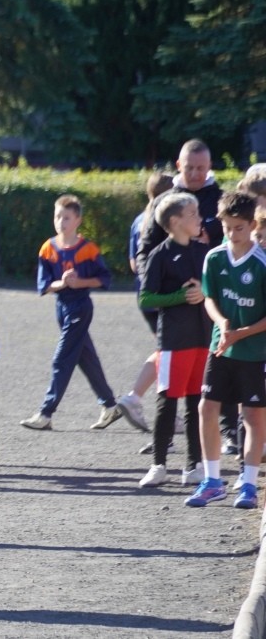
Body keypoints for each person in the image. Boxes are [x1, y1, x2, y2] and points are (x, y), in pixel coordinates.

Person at [136, 140, 236, 455]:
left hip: (213, 301)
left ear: (209, 168)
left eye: (200, 168)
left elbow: (233, 244)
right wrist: (154, 284)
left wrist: (207, 246)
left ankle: (227, 431)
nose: (194, 173)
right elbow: (146, 249)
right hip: (172, 308)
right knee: (173, 379)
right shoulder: (163, 202)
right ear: (179, 165)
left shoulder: (220, 199)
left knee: (221, 365)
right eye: (189, 167)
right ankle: (162, 443)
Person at [186, 191, 266, 507]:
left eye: (239, 228)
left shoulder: (261, 263)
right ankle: (212, 480)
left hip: (254, 352)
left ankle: (248, 483)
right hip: (221, 348)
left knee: (252, 415)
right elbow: (209, 299)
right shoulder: (214, 257)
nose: (232, 234)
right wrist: (222, 324)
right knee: (206, 408)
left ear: (251, 225)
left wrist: (243, 332)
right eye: (227, 227)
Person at [20, 195, 121, 431]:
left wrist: (80, 282)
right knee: (86, 358)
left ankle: (46, 413)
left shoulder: (88, 249)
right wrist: (63, 283)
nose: (61, 222)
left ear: (78, 220)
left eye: (66, 217)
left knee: (61, 359)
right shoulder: (48, 248)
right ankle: (110, 405)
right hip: (61, 307)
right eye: (57, 216)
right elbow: (44, 286)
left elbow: (105, 279)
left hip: (80, 307)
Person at [137, 192, 210, 487]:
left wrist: (203, 291)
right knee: (167, 402)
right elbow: (146, 297)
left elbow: (213, 286)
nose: (199, 218)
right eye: (193, 214)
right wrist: (180, 296)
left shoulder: (204, 252)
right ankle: (158, 465)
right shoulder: (160, 255)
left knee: (197, 403)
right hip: (173, 341)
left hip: (202, 338)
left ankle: (194, 465)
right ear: (175, 221)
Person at [119, 172, 175, 439]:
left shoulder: (139, 220)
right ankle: (136, 397)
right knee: (169, 350)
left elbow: (133, 263)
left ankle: (149, 402)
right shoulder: (166, 220)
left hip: (144, 296)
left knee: (166, 349)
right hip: (164, 295)